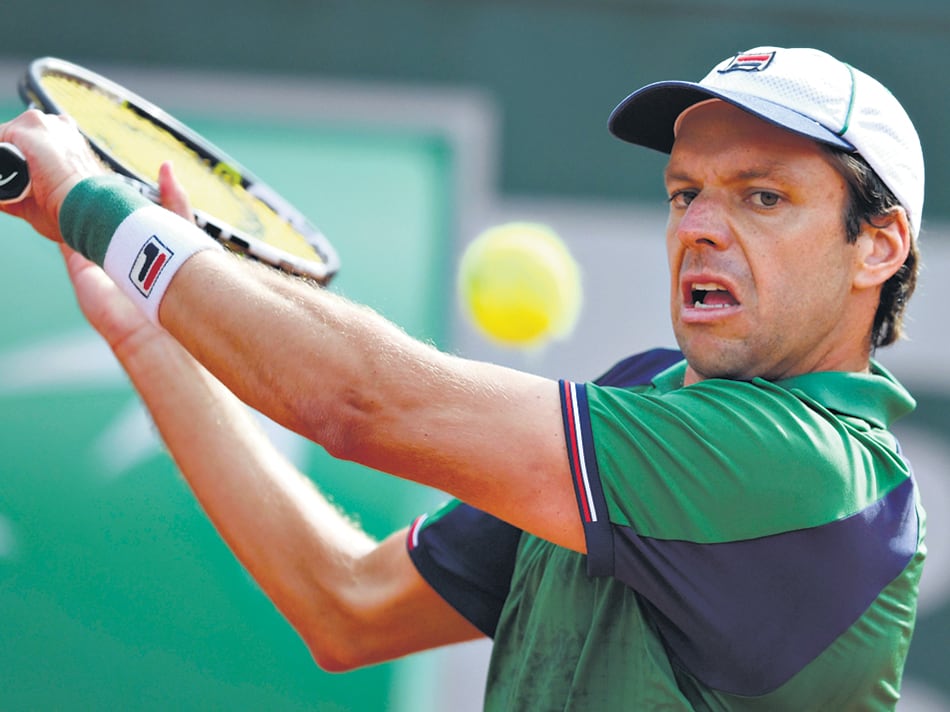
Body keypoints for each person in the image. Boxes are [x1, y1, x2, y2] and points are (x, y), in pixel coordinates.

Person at [0, 45, 927, 710]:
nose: (701, 228)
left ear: (876, 247)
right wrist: (152, 336)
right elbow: (344, 604)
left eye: (763, 196)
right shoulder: (648, 396)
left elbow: (357, 400)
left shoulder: (810, 469)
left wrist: (94, 206)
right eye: (687, 192)